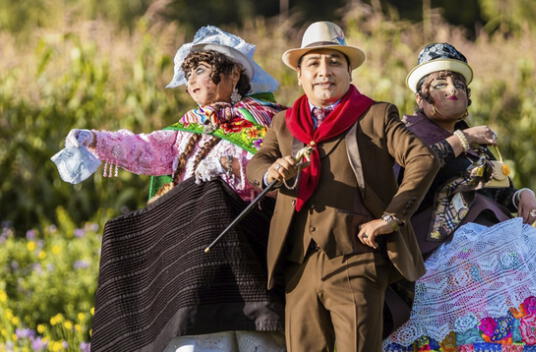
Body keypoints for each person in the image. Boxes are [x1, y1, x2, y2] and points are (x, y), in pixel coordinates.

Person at [60, 26, 286, 352]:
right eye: (188, 72)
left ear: (234, 73)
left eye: (201, 70)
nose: (192, 80)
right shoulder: (185, 130)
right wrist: (95, 140)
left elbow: (277, 170)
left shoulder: (271, 122)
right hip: (197, 249)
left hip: (251, 241)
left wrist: (233, 171)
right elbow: (144, 147)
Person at [246, 21, 440, 352]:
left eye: (334, 62)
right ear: (299, 75)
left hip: (357, 259)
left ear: (349, 72)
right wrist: (271, 171)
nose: (324, 71)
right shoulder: (283, 123)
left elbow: (424, 158)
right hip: (299, 264)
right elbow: (257, 165)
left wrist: (392, 217)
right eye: (313, 63)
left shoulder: (375, 116)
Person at [383, 43, 536, 351]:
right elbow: (412, 175)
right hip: (440, 266)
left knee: (510, 334)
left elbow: (500, 189)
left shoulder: (478, 145)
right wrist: (461, 140)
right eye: (440, 84)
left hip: (494, 269)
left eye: (459, 84)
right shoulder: (408, 134)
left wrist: (522, 195)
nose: (453, 89)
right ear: (420, 98)